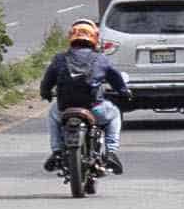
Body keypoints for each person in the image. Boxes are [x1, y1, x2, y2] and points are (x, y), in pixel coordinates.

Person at [38, 22, 128, 177]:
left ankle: (57, 151)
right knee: (114, 114)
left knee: (53, 115)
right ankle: (111, 153)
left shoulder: (59, 59)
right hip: (95, 109)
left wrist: (45, 93)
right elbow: (116, 79)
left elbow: (47, 82)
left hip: (64, 109)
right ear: (94, 38)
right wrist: (124, 91)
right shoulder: (101, 59)